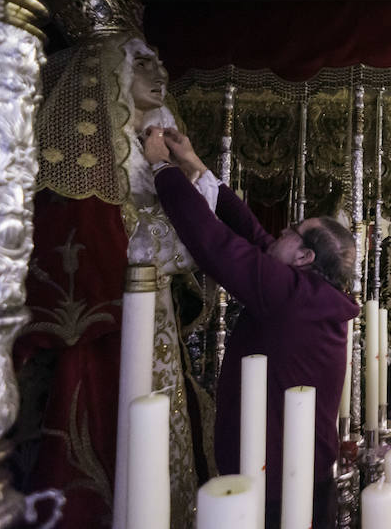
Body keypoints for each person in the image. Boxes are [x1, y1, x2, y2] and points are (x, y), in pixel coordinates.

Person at [14, 0, 215, 527]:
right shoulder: (78, 177)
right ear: (107, 74)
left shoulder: (152, 159)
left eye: (157, 60)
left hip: (156, 329)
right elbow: (88, 260)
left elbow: (194, 244)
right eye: (142, 62)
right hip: (106, 339)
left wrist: (187, 174)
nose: (160, 71)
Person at [142, 127, 359, 529]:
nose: (281, 231)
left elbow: (214, 244)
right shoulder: (308, 291)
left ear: (305, 258)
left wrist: (162, 169)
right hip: (292, 469)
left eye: (292, 232)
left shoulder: (291, 297)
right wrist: (195, 165)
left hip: (278, 482)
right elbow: (255, 235)